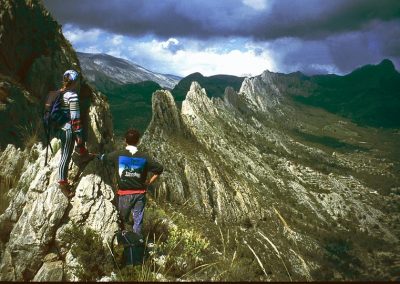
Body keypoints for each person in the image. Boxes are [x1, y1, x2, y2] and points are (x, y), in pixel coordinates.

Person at [99, 128, 163, 237]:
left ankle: (123, 241)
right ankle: (136, 242)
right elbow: (159, 169)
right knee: (138, 221)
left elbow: (103, 158)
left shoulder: (117, 155)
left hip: (124, 194)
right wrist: (148, 182)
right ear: (138, 141)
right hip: (140, 194)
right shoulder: (144, 157)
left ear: (125, 140)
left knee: (122, 220)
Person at [57, 69, 90, 198]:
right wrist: (79, 135)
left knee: (66, 152)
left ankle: (82, 152)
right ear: (75, 81)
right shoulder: (72, 96)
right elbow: (75, 119)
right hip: (68, 130)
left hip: (61, 127)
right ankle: (62, 184)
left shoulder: (60, 93)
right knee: (65, 156)